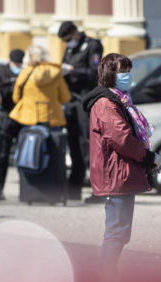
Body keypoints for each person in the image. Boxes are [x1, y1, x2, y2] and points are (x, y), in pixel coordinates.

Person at [83, 53, 160, 280]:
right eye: (122, 71)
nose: (127, 76)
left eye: (128, 70)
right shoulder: (107, 103)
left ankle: (109, 275)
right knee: (117, 231)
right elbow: (122, 138)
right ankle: (107, 278)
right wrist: (147, 157)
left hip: (121, 173)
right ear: (109, 74)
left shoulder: (119, 100)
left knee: (120, 231)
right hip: (115, 174)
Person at [57, 20, 103, 201]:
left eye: (69, 39)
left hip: (86, 101)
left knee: (89, 144)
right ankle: (74, 188)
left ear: (75, 32)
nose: (68, 43)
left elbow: (95, 72)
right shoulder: (69, 49)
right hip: (71, 102)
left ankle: (97, 188)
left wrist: (73, 71)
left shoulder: (92, 45)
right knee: (74, 144)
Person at [9, 45, 70, 132]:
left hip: (29, 119)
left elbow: (15, 98)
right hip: (52, 119)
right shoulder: (56, 73)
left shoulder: (25, 73)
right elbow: (65, 98)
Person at [0, 48, 25, 190]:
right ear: (10, 61)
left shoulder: (25, 72)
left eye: (20, 63)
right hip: (6, 117)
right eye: (16, 63)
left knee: (24, 154)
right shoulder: (0, 74)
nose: (18, 66)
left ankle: (25, 189)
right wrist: (11, 88)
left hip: (22, 117)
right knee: (2, 155)